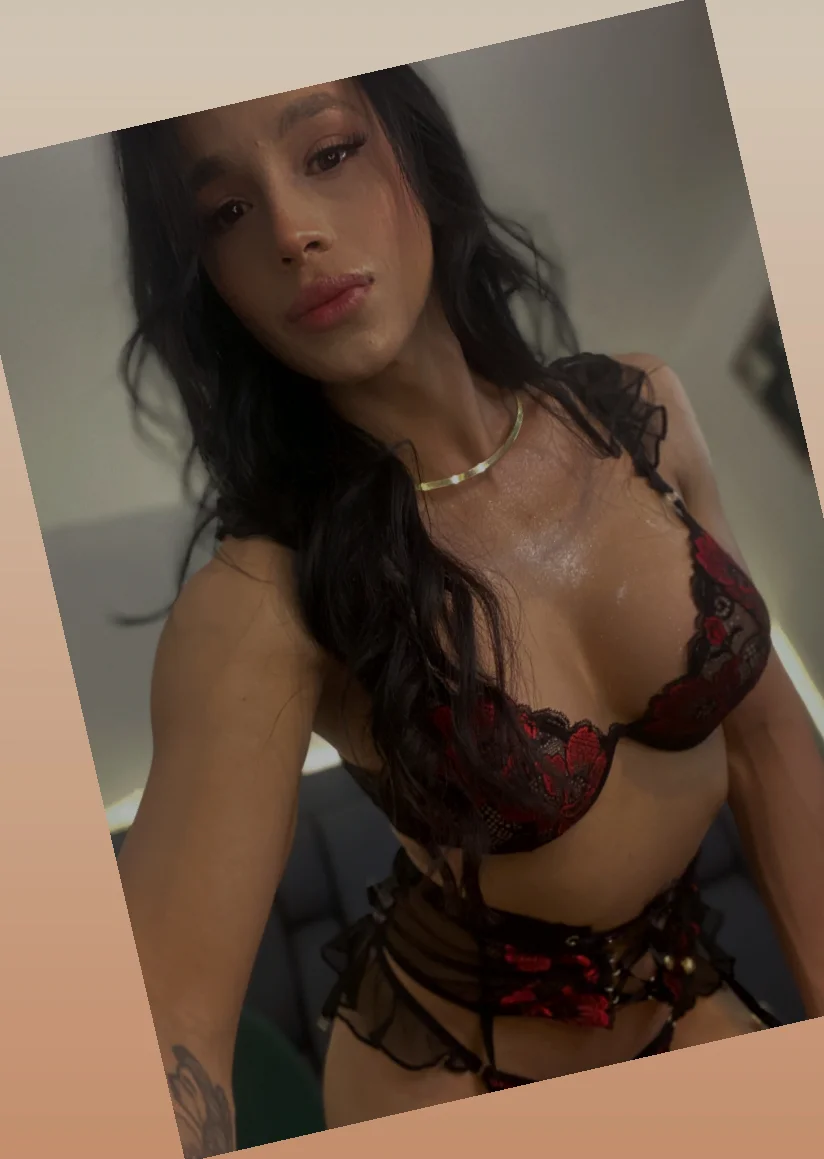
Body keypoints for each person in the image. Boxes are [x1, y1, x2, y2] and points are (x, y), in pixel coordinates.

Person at [111, 65, 824, 1158]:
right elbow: (155, 1030)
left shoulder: (643, 411)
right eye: (225, 213)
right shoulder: (264, 601)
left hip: (688, 994)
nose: (292, 233)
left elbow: (770, 741)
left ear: (416, 150)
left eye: (329, 153)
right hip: (461, 1079)